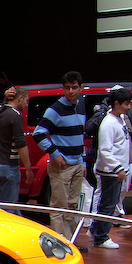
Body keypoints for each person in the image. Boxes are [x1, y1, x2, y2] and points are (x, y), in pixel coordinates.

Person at [32, 71, 87, 242]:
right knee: (59, 206)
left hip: (77, 163)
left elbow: (80, 135)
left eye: (74, 87)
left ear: (81, 88)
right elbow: (38, 134)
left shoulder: (81, 105)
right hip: (61, 166)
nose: (71, 91)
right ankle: (60, 243)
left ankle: (71, 241)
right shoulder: (55, 109)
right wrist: (55, 154)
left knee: (73, 205)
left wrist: (83, 161)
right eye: (67, 88)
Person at [88, 85, 132, 228]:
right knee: (106, 205)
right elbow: (104, 150)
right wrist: (118, 168)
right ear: (117, 103)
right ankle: (101, 236)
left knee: (111, 203)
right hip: (110, 171)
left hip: (117, 169)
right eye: (127, 103)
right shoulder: (108, 123)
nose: (129, 107)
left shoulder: (121, 119)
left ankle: (96, 232)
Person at [0, 86, 33, 215]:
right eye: (26, 101)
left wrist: (5, 96)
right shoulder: (16, 116)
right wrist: (28, 169)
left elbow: (2, 105)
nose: (26, 105)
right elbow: (21, 144)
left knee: (7, 203)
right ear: (19, 98)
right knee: (8, 208)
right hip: (9, 167)